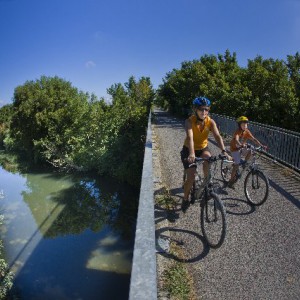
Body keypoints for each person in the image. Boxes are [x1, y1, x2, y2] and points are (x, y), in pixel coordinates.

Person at [180, 96, 230, 212]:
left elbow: (217, 136)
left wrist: (223, 151)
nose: (204, 112)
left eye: (206, 109)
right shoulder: (189, 121)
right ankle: (185, 198)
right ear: (195, 110)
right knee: (191, 177)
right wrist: (192, 153)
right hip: (189, 149)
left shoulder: (210, 122)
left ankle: (206, 184)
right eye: (201, 109)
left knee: (209, 158)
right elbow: (190, 137)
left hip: (203, 147)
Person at [227, 116, 267, 188]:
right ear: (239, 125)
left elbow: (254, 139)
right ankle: (231, 181)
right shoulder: (237, 132)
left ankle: (244, 163)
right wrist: (240, 144)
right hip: (234, 149)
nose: (245, 125)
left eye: (246, 124)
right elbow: (236, 139)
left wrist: (261, 145)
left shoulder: (247, 131)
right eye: (243, 124)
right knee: (236, 165)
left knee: (250, 151)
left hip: (241, 148)